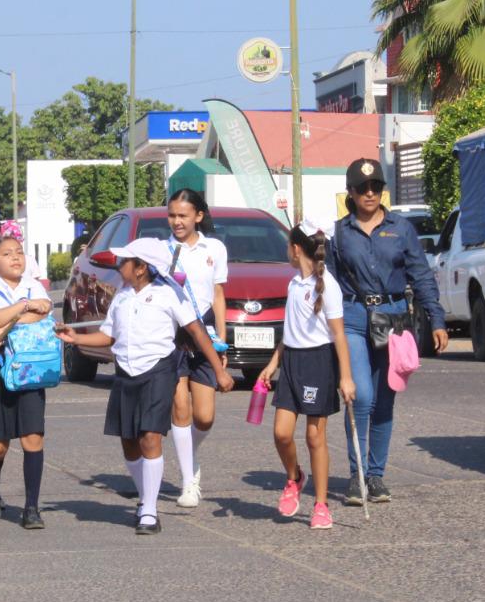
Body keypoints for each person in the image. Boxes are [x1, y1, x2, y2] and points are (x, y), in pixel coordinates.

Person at [58, 239, 233, 534]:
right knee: (129, 441)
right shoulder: (122, 295)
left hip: (158, 371)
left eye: (124, 261)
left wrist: (219, 370)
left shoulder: (170, 294)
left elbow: (197, 332)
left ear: (141, 268)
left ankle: (149, 511)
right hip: (125, 372)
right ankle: (144, 496)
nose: (118, 265)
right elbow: (109, 337)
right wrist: (76, 339)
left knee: (150, 436)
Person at [329, 157, 447, 505]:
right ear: (350, 192)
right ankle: (358, 474)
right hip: (352, 316)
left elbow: (421, 276)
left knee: (384, 400)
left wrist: (437, 319)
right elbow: (330, 282)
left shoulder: (402, 228)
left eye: (376, 187)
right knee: (360, 395)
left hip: (394, 318)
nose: (370, 193)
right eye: (362, 188)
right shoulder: (338, 232)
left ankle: (377, 476)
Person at [256, 220, 355, 529]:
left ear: (296, 248)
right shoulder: (293, 284)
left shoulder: (329, 287)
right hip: (292, 363)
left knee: (315, 436)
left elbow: (339, 335)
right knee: (281, 433)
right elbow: (290, 331)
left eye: (288, 245)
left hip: (319, 363)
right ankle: (294, 477)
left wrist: (346, 377)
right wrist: (273, 364)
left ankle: (322, 505)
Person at [0, 235, 53, 528]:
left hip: (31, 369)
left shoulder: (34, 285)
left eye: (19, 252)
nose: (16, 258)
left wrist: (17, 315)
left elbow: (44, 317)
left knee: (33, 439)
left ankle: (31, 507)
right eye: (7, 254)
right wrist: (25, 307)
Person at [162, 188, 227, 508]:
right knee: (181, 409)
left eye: (183, 215)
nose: (176, 221)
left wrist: (222, 340)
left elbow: (218, 295)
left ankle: (191, 454)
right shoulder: (162, 251)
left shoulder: (213, 248)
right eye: (172, 215)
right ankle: (189, 482)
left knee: (204, 417)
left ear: (198, 216)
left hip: (205, 335)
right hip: (172, 338)